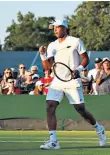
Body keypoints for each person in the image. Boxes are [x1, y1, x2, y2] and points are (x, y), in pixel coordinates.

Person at [38, 19, 106, 150]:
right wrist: (42, 55)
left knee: (80, 109)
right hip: (57, 80)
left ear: (65, 28)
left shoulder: (75, 41)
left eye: (57, 27)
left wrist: (79, 70)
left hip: (73, 80)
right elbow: (47, 68)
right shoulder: (52, 45)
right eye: (54, 28)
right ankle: (53, 141)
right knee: (50, 106)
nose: (55, 30)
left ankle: (99, 128)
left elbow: (85, 58)